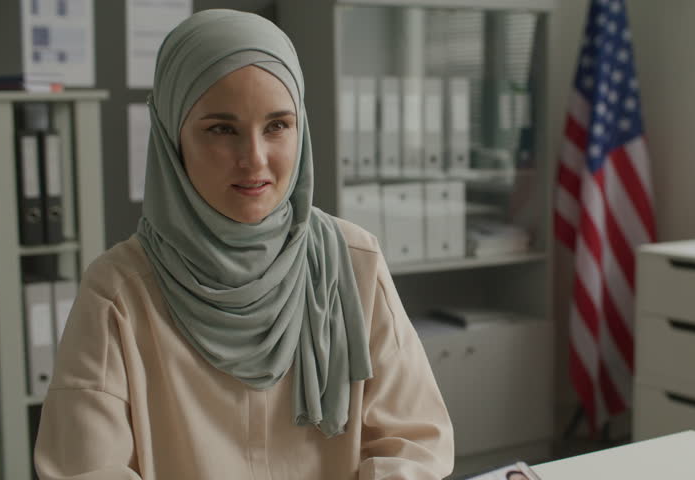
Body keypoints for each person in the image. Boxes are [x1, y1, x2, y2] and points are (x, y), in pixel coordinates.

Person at [34, 9, 454, 480]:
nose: (254, 159)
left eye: (277, 126)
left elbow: (414, 442)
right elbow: (86, 469)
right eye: (221, 129)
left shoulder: (352, 262)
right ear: (173, 137)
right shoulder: (118, 293)